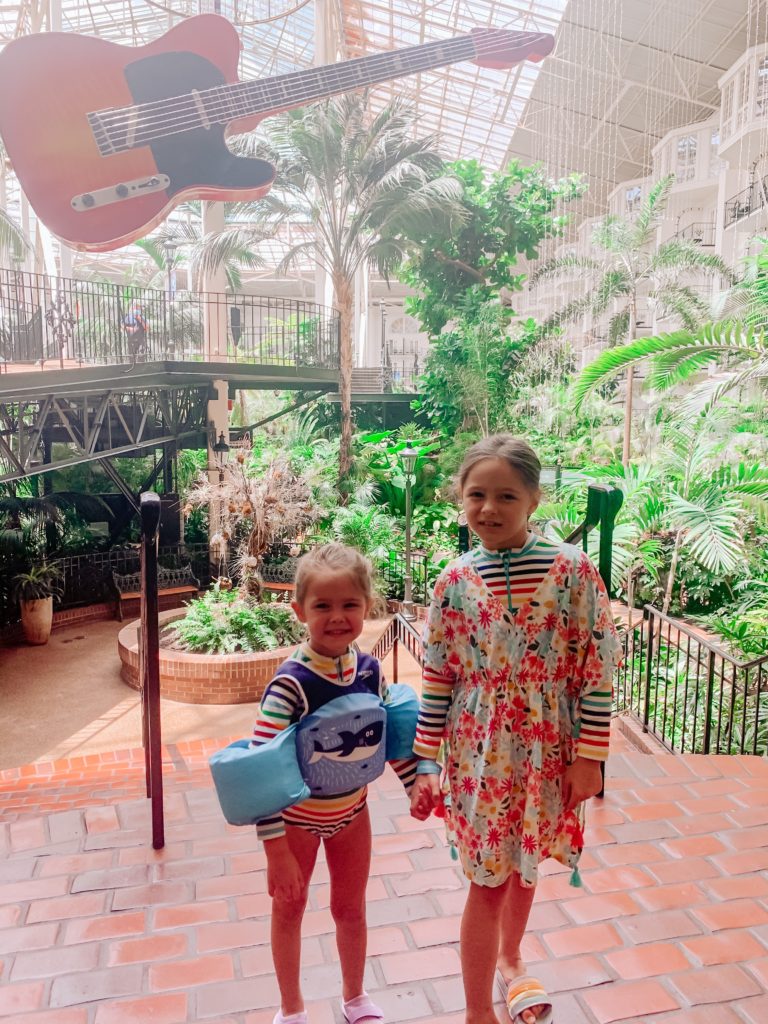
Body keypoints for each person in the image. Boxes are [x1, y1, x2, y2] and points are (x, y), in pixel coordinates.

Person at [409, 435, 621, 1024]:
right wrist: (425, 760)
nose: (489, 509)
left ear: (533, 499)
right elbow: (438, 675)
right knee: (489, 879)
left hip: (551, 749)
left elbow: (596, 667)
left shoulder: (572, 571)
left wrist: (591, 756)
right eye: (476, 494)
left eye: (506, 495)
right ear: (460, 498)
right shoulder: (453, 581)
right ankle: (478, 1010)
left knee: (527, 861)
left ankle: (511, 959)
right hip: (479, 755)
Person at [253, 542, 417, 1024]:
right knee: (290, 909)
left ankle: (354, 998)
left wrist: (416, 786)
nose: (337, 616)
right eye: (322, 605)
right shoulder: (291, 683)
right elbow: (261, 769)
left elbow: (388, 741)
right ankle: (291, 1009)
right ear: (299, 609)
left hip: (352, 815)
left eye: (349, 604)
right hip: (297, 820)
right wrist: (275, 850)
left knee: (351, 909)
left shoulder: (369, 671)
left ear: (368, 607)